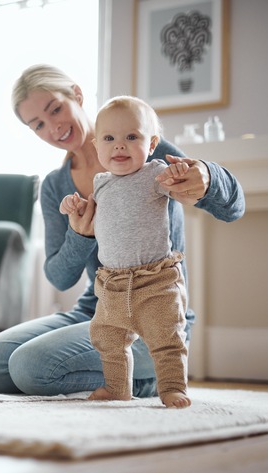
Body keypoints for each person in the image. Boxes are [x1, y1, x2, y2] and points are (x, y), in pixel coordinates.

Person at [0, 64, 245, 399]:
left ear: (77, 95)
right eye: (37, 124)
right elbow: (59, 277)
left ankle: (147, 378)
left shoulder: (145, 150)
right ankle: (118, 374)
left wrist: (207, 175)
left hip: (155, 312)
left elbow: (233, 208)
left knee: (30, 367)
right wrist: (80, 236)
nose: (53, 127)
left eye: (55, 109)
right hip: (101, 307)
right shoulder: (57, 187)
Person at [60, 95, 191, 408]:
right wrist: (73, 207)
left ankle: (173, 387)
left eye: (131, 137)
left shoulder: (155, 173)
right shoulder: (101, 183)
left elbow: (182, 191)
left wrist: (180, 177)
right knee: (107, 338)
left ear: (152, 144)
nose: (119, 146)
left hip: (155, 281)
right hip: (112, 283)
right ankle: (118, 388)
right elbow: (91, 217)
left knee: (167, 340)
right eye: (109, 138)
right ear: (97, 146)